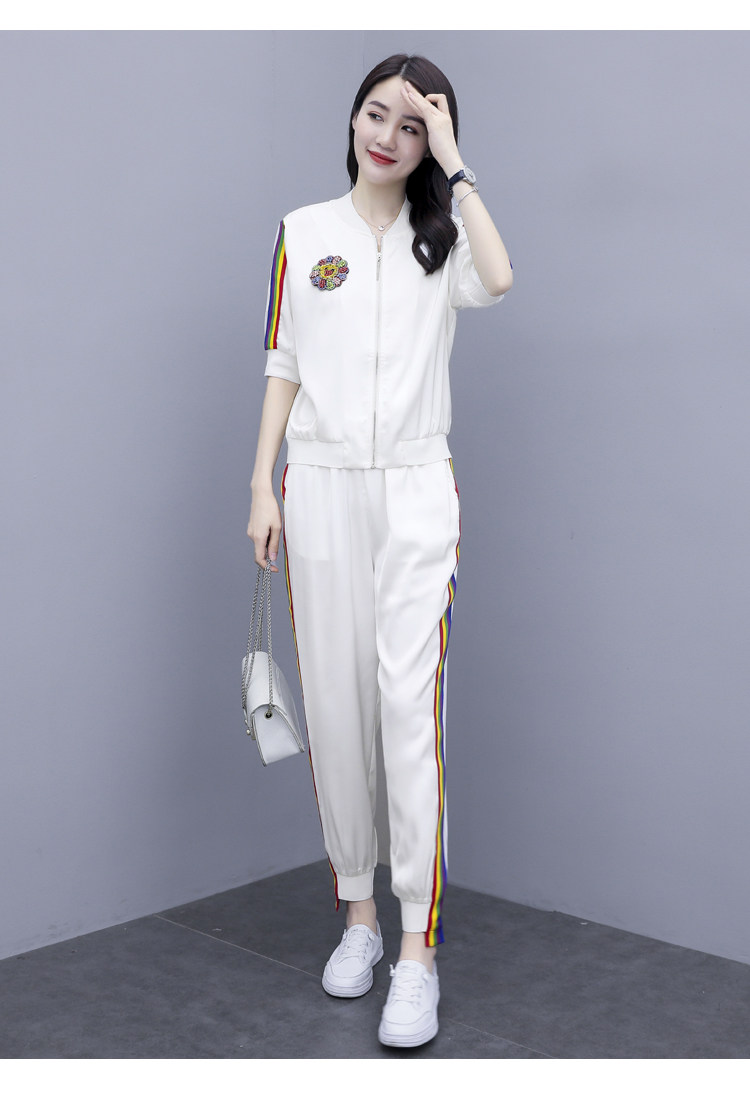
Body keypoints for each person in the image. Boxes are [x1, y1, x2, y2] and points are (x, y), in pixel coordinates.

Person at [247, 53, 513, 1049]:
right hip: (316, 488)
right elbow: (283, 357)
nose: (387, 137)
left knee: (407, 708)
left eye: (411, 125)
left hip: (413, 489)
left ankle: (416, 950)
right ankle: (357, 914)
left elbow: (502, 277)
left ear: (429, 139)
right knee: (337, 706)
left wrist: (457, 160)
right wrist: (261, 483)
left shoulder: (442, 240)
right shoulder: (302, 232)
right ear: (351, 118)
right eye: (376, 114)